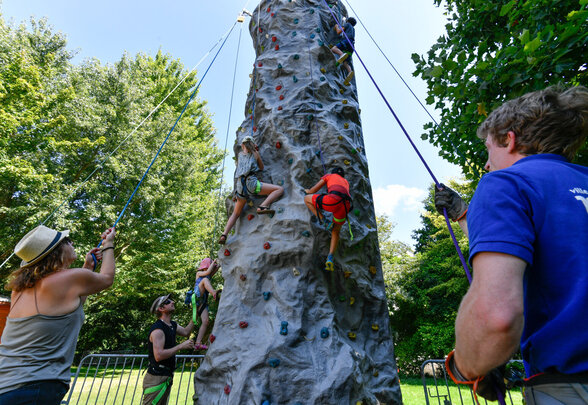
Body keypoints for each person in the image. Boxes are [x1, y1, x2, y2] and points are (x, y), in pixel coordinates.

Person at [434, 85, 588, 403]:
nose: (487, 165)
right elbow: (565, 245)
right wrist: (464, 214)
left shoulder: (506, 183)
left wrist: (468, 366)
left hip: (569, 386)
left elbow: (497, 317)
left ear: (510, 138)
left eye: (489, 150)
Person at [0, 225, 116, 405]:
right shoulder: (68, 279)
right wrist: (109, 244)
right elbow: (107, 278)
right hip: (33, 388)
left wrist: (87, 267)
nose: (72, 243)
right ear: (57, 252)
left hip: (7, 387)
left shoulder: (19, 290)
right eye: (67, 241)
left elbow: (69, 308)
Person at [218, 135, 284, 245]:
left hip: (240, 188)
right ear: (253, 144)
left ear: (242, 145)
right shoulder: (255, 154)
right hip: (252, 184)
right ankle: (263, 206)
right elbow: (261, 168)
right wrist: (256, 153)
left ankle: (224, 234)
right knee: (279, 189)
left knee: (236, 213)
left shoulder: (239, 155)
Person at [143, 294, 195, 405]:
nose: (173, 302)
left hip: (166, 375)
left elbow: (186, 332)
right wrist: (181, 346)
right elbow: (159, 356)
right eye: (168, 302)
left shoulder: (172, 325)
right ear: (161, 309)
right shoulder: (158, 329)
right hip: (156, 378)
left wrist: (196, 313)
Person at [304, 167, 352, 271]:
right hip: (346, 205)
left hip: (333, 200)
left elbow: (313, 190)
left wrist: (308, 191)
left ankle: (325, 221)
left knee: (306, 199)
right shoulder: (346, 182)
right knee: (336, 231)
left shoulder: (329, 176)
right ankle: (330, 257)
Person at [192, 258, 221, 350]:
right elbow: (208, 272)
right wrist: (214, 262)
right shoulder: (199, 274)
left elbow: (213, 271)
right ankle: (213, 293)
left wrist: (220, 263)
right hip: (197, 296)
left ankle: (198, 343)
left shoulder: (208, 275)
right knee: (204, 280)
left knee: (206, 321)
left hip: (202, 302)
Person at [330, 17, 357, 86]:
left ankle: (342, 54)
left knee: (333, 48)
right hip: (351, 45)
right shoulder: (353, 29)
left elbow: (339, 32)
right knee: (345, 62)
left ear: (348, 21)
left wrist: (336, 27)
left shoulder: (347, 24)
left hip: (346, 41)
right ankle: (349, 72)